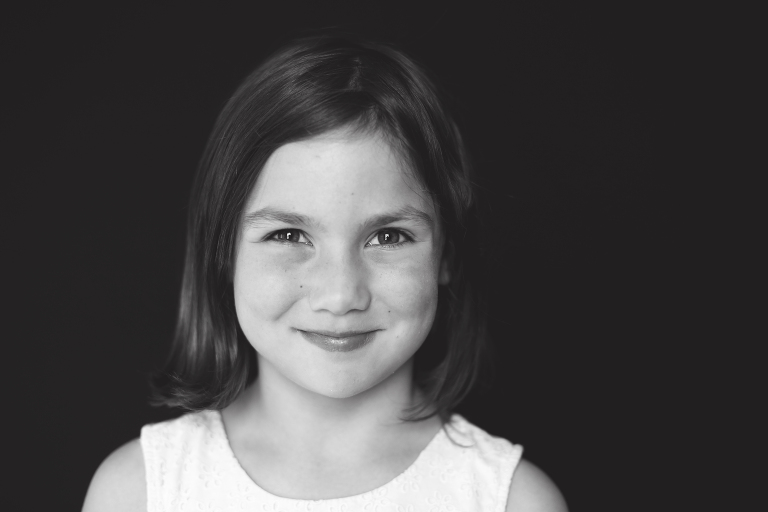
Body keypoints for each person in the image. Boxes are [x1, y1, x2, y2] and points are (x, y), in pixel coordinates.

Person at [82, 34, 568, 512]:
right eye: (290, 236)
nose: (340, 295)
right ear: (222, 252)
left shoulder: (510, 501)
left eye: (388, 237)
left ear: (446, 255)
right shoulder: (139, 492)